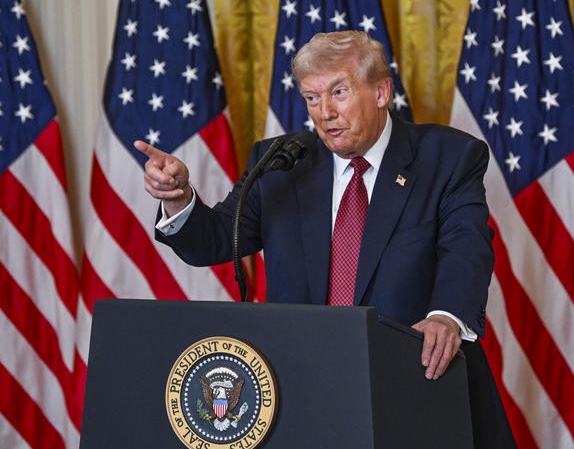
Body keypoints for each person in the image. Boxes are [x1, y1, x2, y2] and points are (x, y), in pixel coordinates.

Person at [135, 30, 516, 448]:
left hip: (415, 382)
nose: (325, 112)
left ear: (381, 92)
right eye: (312, 98)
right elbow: (216, 240)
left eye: (339, 92)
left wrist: (447, 316)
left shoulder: (447, 156)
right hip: (307, 389)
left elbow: (466, 246)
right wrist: (179, 199)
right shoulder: (281, 161)